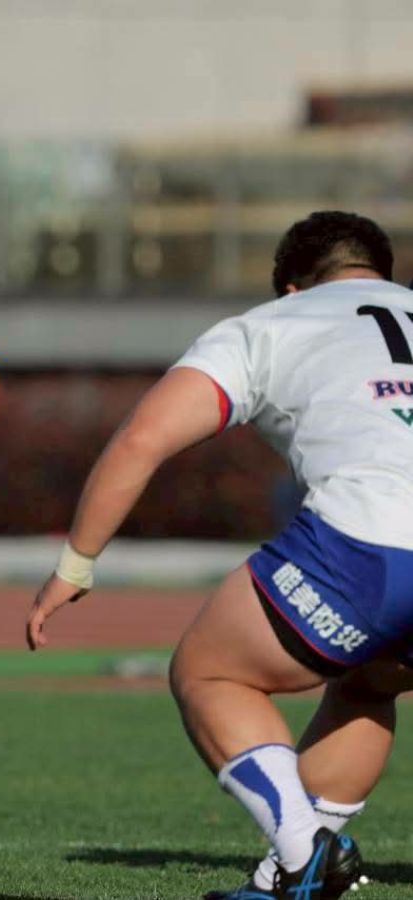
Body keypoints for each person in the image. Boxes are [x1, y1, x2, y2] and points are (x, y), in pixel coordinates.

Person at [25, 210, 413, 898]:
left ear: (290, 286)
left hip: (372, 537)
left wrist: (74, 565)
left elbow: (143, 438)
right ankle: (286, 877)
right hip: (383, 546)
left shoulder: (272, 324)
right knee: (371, 678)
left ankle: (302, 852)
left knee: (209, 671)